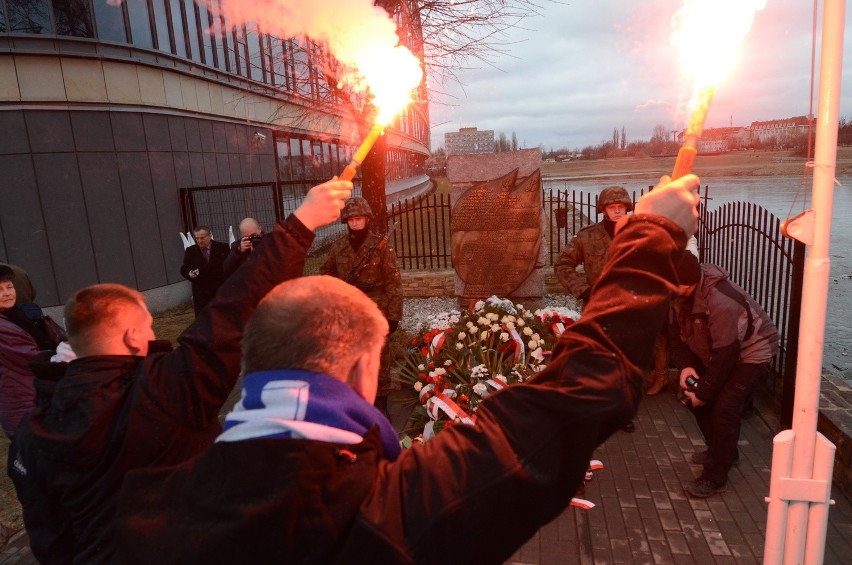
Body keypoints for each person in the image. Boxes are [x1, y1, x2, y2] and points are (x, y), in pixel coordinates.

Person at [113, 174, 701, 564]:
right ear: (364, 370)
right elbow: (573, 398)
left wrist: (297, 226)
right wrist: (652, 237)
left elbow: (217, 321)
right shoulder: (383, 513)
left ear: (252, 359)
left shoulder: (142, 510)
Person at [8, 179, 352, 564]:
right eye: (148, 325)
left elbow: (48, 537)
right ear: (132, 335)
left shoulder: (30, 433)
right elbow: (235, 308)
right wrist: (302, 222)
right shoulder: (163, 394)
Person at [669, 253, 779, 498]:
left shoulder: (721, 302)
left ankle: (714, 478)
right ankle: (723, 451)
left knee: (724, 409)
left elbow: (726, 355)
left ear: (687, 284)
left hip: (751, 351)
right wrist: (686, 366)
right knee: (692, 397)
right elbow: (675, 335)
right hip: (715, 349)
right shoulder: (677, 295)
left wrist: (705, 392)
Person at [555, 186, 669, 403]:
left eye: (621, 207)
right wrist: (584, 291)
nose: (617, 212)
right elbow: (562, 265)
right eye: (612, 207)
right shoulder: (587, 237)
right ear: (603, 210)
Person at [320, 197, 402, 332]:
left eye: (358, 219)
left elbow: (394, 283)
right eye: (351, 220)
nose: (354, 224)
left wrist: (394, 317)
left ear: (367, 219)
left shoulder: (381, 247)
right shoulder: (338, 246)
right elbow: (326, 272)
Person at [0, 266, 57, 437]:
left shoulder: (16, 314)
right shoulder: (4, 327)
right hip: (25, 404)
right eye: (0, 290)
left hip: (35, 399)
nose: (7, 293)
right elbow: (34, 358)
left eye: (9, 287)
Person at [180, 226, 230, 315]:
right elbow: (185, 268)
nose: (199, 241)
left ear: (210, 236)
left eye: (202, 238)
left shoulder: (223, 248)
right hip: (201, 293)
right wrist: (190, 273)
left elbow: (230, 265)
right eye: (197, 238)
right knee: (203, 320)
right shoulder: (190, 251)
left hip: (219, 289)